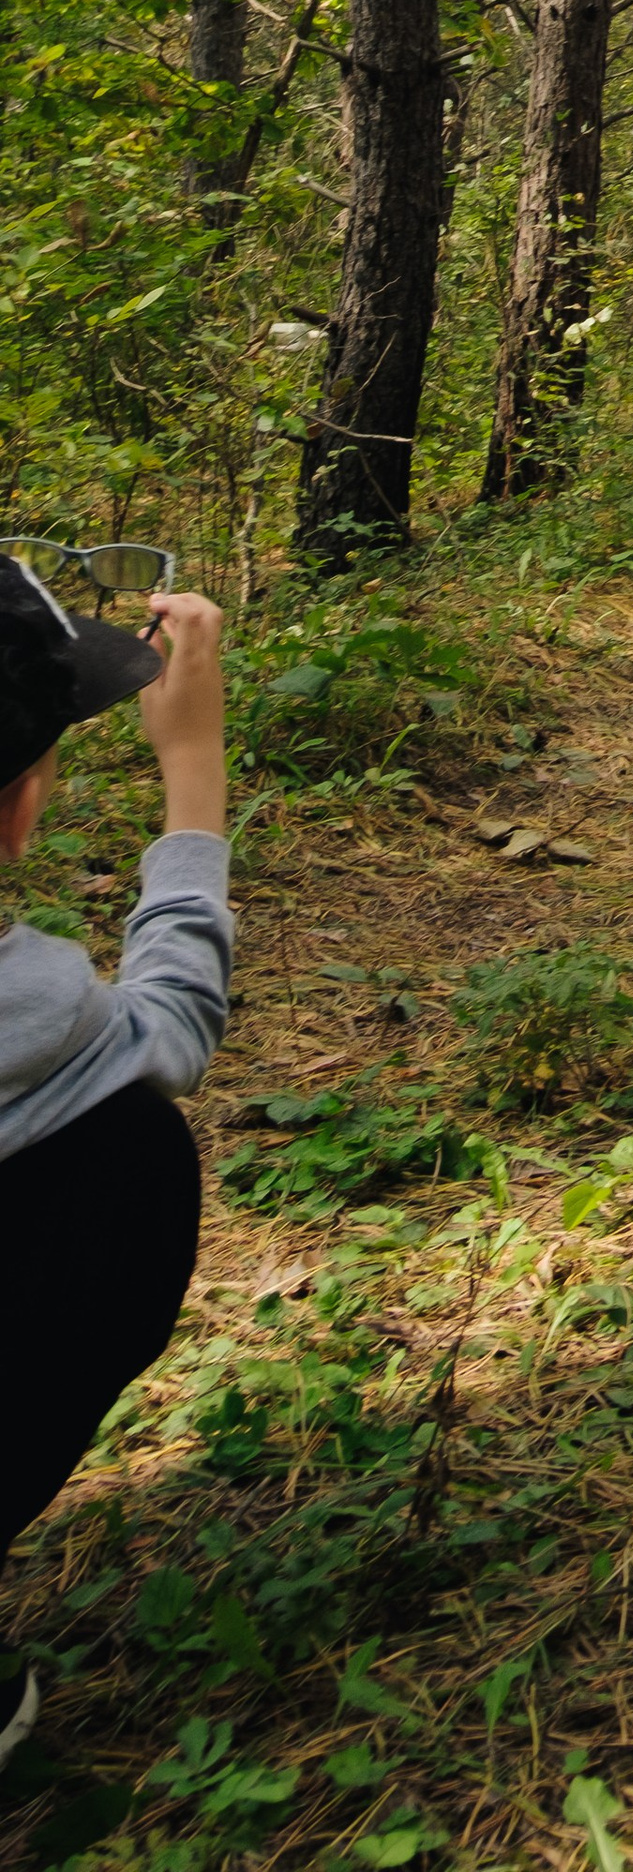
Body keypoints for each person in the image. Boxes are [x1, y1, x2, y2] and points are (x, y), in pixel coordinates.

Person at [0, 555, 231, 1750]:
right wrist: (191, 769)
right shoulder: (24, 1010)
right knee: (126, 1150)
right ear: (24, 803)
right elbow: (172, 1030)